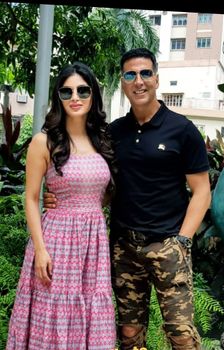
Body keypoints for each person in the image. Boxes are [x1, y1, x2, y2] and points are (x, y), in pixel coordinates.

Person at [43, 48, 211, 350]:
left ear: (157, 79)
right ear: (122, 81)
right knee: (130, 335)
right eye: (130, 74)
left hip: (167, 245)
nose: (139, 81)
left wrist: (182, 242)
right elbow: (101, 184)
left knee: (182, 335)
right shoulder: (113, 133)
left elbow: (202, 192)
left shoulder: (183, 130)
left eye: (146, 73)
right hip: (124, 247)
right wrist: (61, 199)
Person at [6, 61, 117, 350]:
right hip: (57, 241)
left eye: (82, 90)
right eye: (66, 92)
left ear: (93, 95)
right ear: (58, 97)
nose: (75, 97)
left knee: (91, 312)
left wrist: (87, 204)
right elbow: (31, 198)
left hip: (93, 244)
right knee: (54, 312)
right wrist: (40, 249)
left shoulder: (102, 140)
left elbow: (103, 191)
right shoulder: (44, 141)